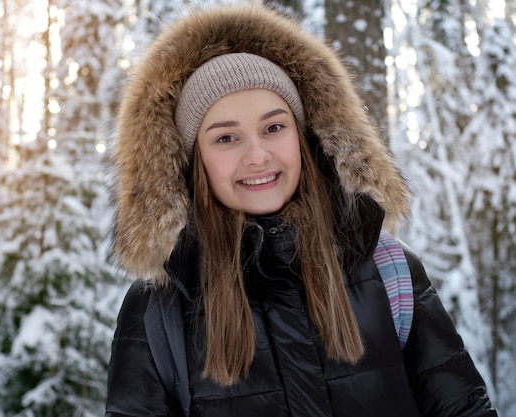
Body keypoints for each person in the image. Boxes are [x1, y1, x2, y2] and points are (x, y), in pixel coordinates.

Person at [105, 5, 497, 417]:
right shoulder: (160, 307)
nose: (257, 156)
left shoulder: (388, 270)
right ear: (193, 160)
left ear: (304, 136)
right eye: (225, 138)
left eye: (274, 127)